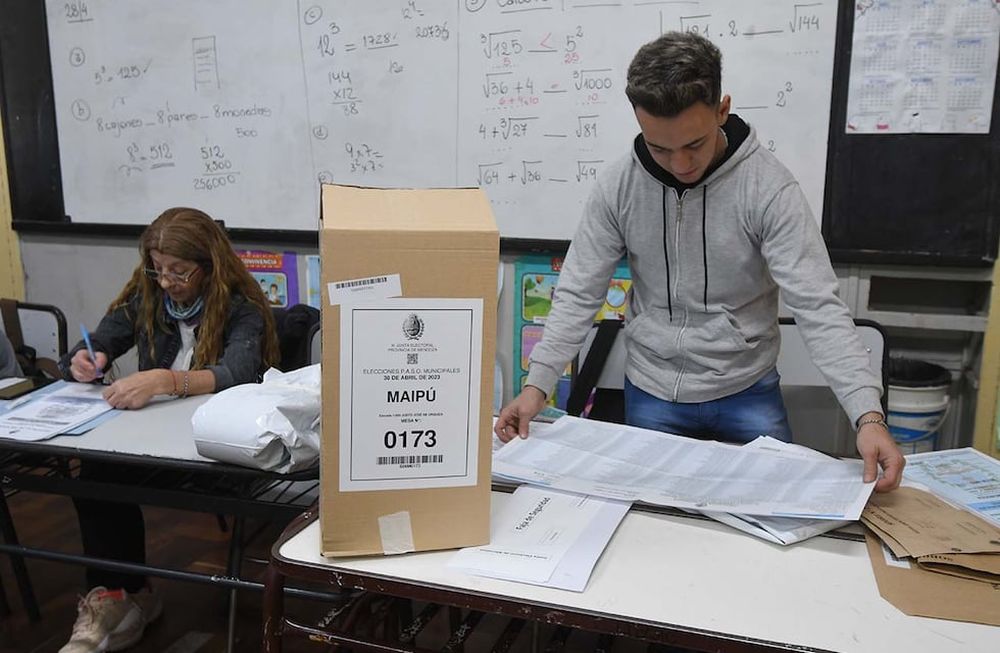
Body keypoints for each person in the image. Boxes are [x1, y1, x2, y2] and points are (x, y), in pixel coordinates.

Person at [495, 32, 904, 493]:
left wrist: (868, 415)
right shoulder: (618, 187)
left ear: (722, 109)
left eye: (694, 143)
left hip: (747, 391)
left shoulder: (768, 189)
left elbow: (818, 306)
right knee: (655, 529)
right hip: (652, 392)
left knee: (771, 516)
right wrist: (536, 386)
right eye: (660, 148)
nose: (680, 163)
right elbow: (578, 291)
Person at [57, 207, 279, 653]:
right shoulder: (147, 299)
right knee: (95, 479)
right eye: (157, 270)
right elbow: (100, 340)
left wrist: (164, 380)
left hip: (220, 452)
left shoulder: (243, 307)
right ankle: (122, 597)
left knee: (105, 478)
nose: (166, 282)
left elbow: (238, 371)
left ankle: (125, 602)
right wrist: (86, 358)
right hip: (157, 444)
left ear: (209, 265)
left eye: (179, 272)